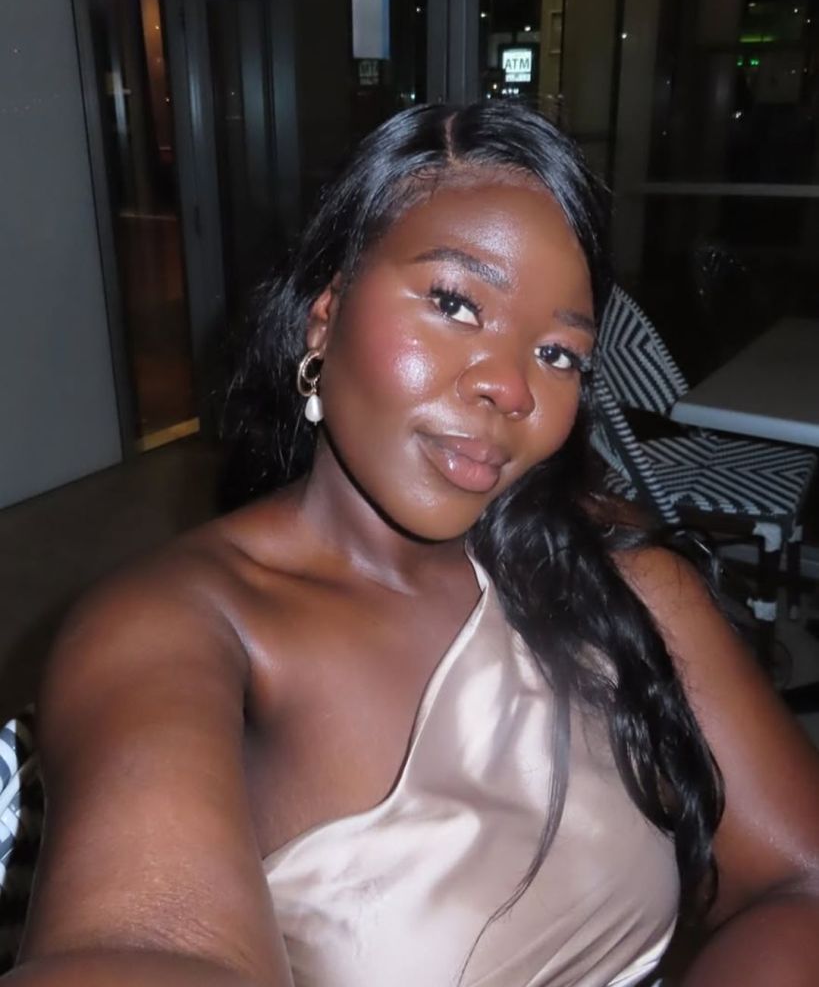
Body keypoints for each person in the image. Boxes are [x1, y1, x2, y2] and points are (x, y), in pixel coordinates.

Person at [6, 101, 819, 987]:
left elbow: (799, 879)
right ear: (325, 317)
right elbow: (141, 943)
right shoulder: (172, 625)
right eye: (454, 303)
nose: (511, 388)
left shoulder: (621, 578)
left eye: (558, 354)